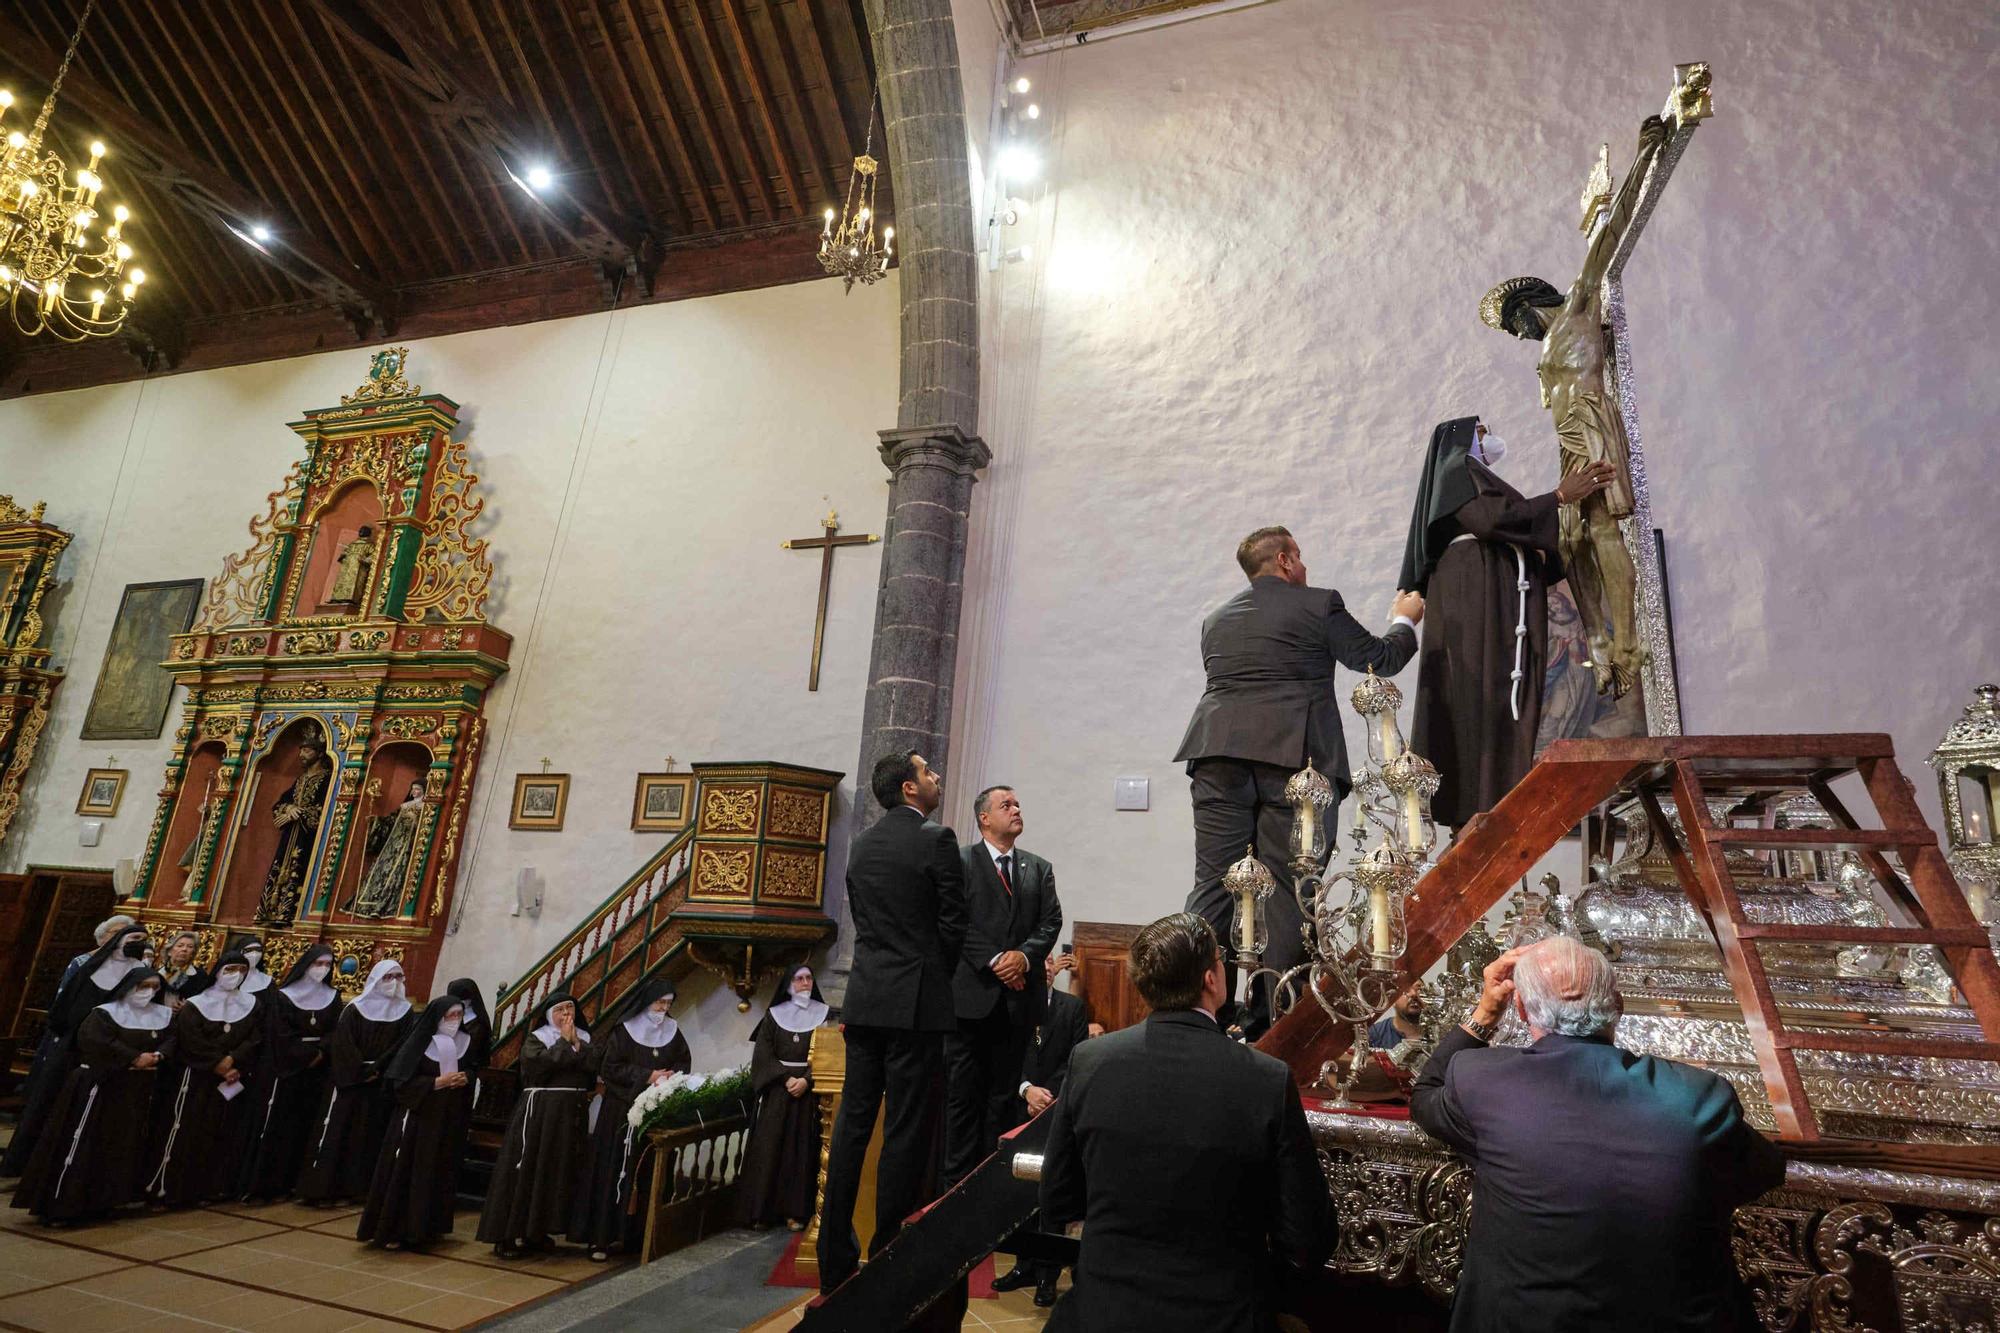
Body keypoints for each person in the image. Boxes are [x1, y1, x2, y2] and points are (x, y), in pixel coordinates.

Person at [1411, 937, 1787, 1332]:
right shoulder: (1698, 1096)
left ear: (1520, 1009)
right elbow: (1766, 1170)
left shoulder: (1481, 1080)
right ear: (1618, 1007)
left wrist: (1487, 1010)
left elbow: (1424, 1097)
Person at [1174, 526, 1421, 1030]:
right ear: (1285, 560)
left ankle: (1191, 1012)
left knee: (1214, 886)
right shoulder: (1317, 604)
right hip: (1294, 763)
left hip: (1216, 755)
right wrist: (1404, 618)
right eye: (1300, 557)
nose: (1304, 567)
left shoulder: (1215, 619)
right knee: (1288, 891)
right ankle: (1277, 1023)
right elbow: (1381, 658)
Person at [1041, 912, 1332, 1332]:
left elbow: (1057, 1200)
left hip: (1104, 1311)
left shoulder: (1090, 1062)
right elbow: (1306, 1233)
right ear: (1211, 980)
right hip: (1220, 1316)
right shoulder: (1266, 1079)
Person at [1398, 416, 1616, 828]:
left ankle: (1487, 805)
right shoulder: (1457, 471)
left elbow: (1507, 523)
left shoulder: (1471, 484)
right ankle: (1477, 807)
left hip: (1491, 599)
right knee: (1479, 701)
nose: (1490, 437)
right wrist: (1558, 496)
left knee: (1494, 704)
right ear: (1459, 442)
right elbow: (1493, 519)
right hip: (1479, 603)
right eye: (1482, 431)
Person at [815, 750, 969, 1291]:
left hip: (866, 998)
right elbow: (954, 925)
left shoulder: (863, 844)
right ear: (909, 789)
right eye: (927, 773)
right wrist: (931, 974)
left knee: (852, 1129)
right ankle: (886, 1255)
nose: (935, 778)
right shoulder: (936, 839)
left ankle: (833, 1260)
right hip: (915, 1006)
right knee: (905, 1131)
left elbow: (864, 916)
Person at [946, 785, 1062, 1184]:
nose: (1016, 809)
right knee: (963, 1100)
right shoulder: (961, 861)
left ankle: (989, 1186)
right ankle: (954, 1191)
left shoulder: (1038, 868)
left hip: (1018, 1003)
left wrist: (1023, 957)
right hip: (972, 1000)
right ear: (984, 818)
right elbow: (955, 918)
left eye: (1017, 803)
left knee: (1002, 1100)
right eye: (1006, 805)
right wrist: (996, 960)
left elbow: (1051, 922)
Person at [11, 967, 171, 1223]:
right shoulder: (104, 1013)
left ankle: (104, 1201)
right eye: (143, 986)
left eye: (155, 987)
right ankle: (62, 1203)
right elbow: (95, 1041)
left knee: (120, 1144)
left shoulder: (162, 1015)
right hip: (99, 1084)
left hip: (134, 1090)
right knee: (84, 1141)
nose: (149, 992)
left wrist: (157, 1055)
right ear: (128, 986)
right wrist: (133, 1057)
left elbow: (171, 1040)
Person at [2, 921, 152, 1176]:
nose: (139, 942)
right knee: (52, 1103)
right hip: (74, 1047)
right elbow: (66, 1007)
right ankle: (29, 1165)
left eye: (144, 938)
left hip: (113, 1051)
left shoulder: (140, 972)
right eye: (134, 936)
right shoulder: (91, 967)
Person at [992, 949, 1092, 1308]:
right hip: (1019, 1109)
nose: (1047, 967)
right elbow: (1005, 1059)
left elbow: (1078, 1058)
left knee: (1051, 1194)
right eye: (1042, 961)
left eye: (1051, 961)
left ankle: (1048, 1276)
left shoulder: (1072, 1008)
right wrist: (1026, 1090)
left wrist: (1049, 1096)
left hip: (1057, 1113)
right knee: (1018, 1194)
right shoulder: (1011, 1006)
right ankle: (1024, 1266)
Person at [572, 978, 691, 1262]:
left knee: (647, 1173)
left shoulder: (673, 1031)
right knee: (612, 1170)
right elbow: (610, 1067)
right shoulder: (624, 1031)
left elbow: (683, 1062)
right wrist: (647, 1076)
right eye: (659, 1002)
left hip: (654, 1115)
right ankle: (601, 1237)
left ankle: (636, 1237)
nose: (663, 1009)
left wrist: (671, 1077)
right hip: (620, 1114)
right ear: (646, 1001)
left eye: (668, 1004)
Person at [478, 991, 595, 1259]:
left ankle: (537, 1231)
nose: (567, 1016)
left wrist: (576, 1042)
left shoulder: (584, 1038)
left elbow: (592, 1066)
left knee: (554, 1171)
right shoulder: (537, 1038)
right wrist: (565, 1043)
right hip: (540, 1113)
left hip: (569, 1116)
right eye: (560, 1011)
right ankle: (508, 1235)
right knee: (529, 1168)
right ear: (548, 1015)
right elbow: (539, 1067)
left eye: (570, 1010)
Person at [357, 995, 474, 1250]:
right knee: (409, 1170)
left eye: (459, 1016)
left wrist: (466, 1078)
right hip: (417, 1119)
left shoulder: (464, 1042)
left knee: (438, 1170)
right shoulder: (419, 1042)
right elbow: (400, 1084)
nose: (455, 1021)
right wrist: (435, 1083)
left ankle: (429, 1228)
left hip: (446, 1119)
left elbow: (471, 1069)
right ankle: (396, 1229)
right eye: (450, 1016)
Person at [147, 951, 263, 1208]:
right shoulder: (196, 1004)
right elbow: (189, 1038)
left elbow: (254, 1038)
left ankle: (208, 1188)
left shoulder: (252, 1004)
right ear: (218, 971)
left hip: (231, 1078)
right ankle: (172, 1191)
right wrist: (218, 1063)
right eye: (231, 969)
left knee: (218, 1132)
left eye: (242, 971)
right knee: (185, 1129)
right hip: (196, 1076)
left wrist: (233, 1061)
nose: (236, 975)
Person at [296, 960, 415, 1205]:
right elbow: (343, 1045)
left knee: (366, 1138)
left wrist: (378, 1068)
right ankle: (322, 1190)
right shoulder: (355, 1009)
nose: (393, 982)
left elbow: (401, 1047)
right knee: (337, 1133)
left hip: (378, 1083)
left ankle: (355, 1190)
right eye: (388, 977)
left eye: (398, 977)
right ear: (376, 979)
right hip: (349, 1082)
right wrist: (361, 1071)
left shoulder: (405, 1012)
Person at [242, 944, 343, 1198]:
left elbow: (334, 1031)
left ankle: (294, 1182)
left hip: (317, 1071)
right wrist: (306, 1055)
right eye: (318, 964)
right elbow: (279, 1033)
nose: (323, 969)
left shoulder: (333, 996)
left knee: (306, 1126)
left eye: (328, 965)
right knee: (279, 1125)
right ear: (305, 965)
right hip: (287, 1069)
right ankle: (266, 1184)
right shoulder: (284, 996)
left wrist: (321, 1051)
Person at [739, 965, 830, 1230]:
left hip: (807, 1096)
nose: (805, 983)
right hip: (778, 1093)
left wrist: (806, 1080)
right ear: (789, 984)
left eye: (809, 978)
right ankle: (762, 1212)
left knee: (801, 1153)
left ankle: (796, 1213)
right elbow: (763, 1054)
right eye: (799, 979)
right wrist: (785, 1078)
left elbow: (828, 1054)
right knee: (769, 1151)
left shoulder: (822, 1015)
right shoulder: (773, 1016)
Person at [1366, 981, 1426, 1055]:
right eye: (1405, 990)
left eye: (1419, 989)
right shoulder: (1374, 1033)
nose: (1414, 994)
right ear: (1392, 999)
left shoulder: (1439, 1032)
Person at [158, 930, 207, 1007]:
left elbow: (202, 1001)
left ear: (192, 954)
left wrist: (188, 1006)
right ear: (169, 951)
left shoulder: (200, 975)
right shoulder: (158, 973)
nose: (184, 949)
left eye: (190, 947)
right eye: (180, 945)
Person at [225, 932, 275, 997]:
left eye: (258, 950)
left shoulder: (266, 981)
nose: (254, 954)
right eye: (248, 950)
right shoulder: (226, 977)